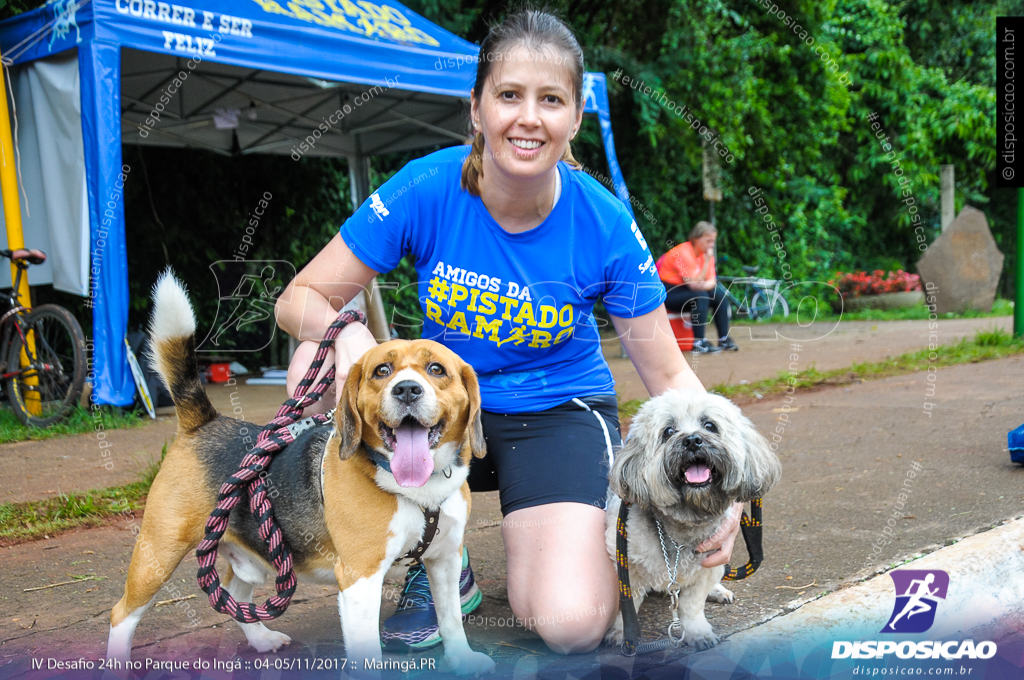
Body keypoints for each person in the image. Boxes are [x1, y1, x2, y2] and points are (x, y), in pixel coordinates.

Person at [274, 9, 742, 655]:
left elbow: (667, 374)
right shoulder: (427, 186)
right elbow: (297, 299)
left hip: (555, 412)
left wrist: (728, 487)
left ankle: (468, 546)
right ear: (476, 107)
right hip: (443, 406)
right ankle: (427, 549)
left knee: (574, 624)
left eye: (551, 99)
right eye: (509, 95)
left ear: (576, 116)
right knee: (313, 361)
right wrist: (349, 332)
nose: (529, 118)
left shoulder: (603, 223)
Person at [656, 222, 738, 353]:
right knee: (701, 296)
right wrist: (705, 265)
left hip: (688, 290)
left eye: (713, 241)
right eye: (708, 241)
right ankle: (699, 342)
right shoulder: (682, 252)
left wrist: (701, 283)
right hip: (668, 293)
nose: (711, 245)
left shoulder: (706, 254)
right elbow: (693, 284)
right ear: (695, 239)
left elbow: (712, 282)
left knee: (719, 296)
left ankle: (724, 339)